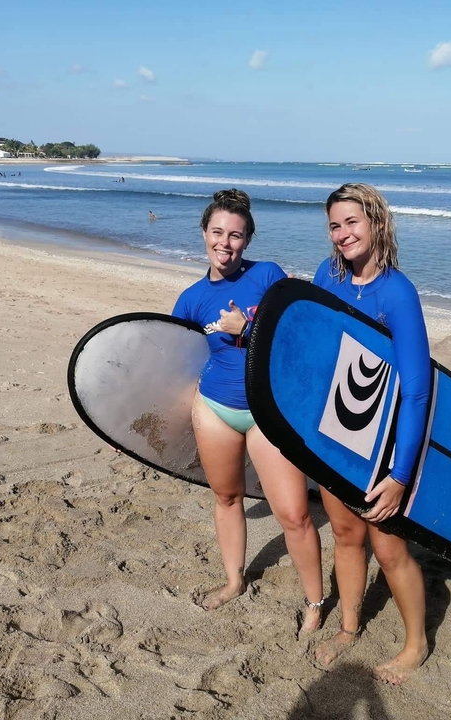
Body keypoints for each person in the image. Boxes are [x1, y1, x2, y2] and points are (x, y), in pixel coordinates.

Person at [172, 189, 324, 633]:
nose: (225, 242)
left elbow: (303, 333)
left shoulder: (269, 277)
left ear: (248, 240)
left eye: (235, 235)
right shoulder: (191, 299)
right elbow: (174, 361)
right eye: (217, 232)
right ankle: (234, 580)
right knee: (226, 497)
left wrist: (250, 327)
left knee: (293, 513)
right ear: (204, 234)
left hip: (268, 412)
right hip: (215, 409)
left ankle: (314, 601)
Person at [311, 183, 430, 685]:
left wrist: (400, 474)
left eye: (352, 222)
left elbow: (418, 391)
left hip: (381, 442)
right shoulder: (326, 275)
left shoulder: (397, 292)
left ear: (377, 222)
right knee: (344, 535)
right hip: (333, 432)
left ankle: (415, 643)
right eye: (335, 225)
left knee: (388, 548)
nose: (342, 234)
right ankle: (350, 626)